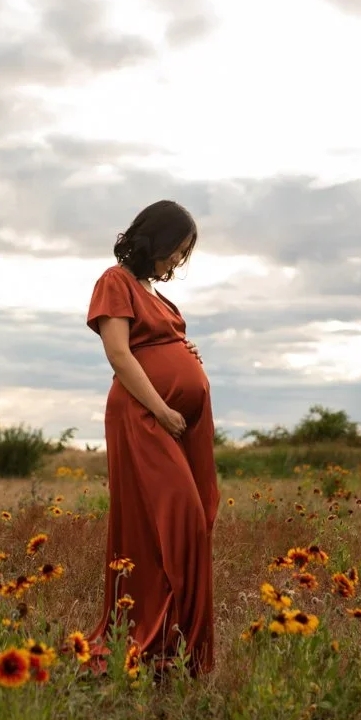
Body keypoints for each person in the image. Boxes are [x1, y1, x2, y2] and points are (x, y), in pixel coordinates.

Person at [86, 200, 220, 674]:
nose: (177, 262)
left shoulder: (151, 292)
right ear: (156, 241)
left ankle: (177, 644)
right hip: (144, 417)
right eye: (177, 251)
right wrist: (162, 409)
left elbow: (155, 342)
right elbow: (120, 356)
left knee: (195, 517)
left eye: (184, 254)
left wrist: (182, 348)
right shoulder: (115, 281)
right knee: (172, 520)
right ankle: (153, 635)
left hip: (173, 420)